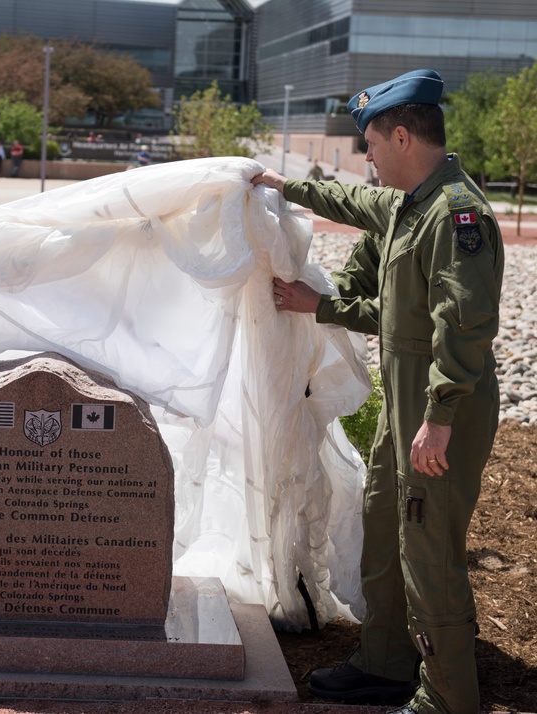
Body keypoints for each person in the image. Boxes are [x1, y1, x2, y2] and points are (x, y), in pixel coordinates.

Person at [255, 69, 503, 714]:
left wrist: (440, 417)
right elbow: (389, 290)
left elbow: (466, 323)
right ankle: (387, 663)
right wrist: (282, 185)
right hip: (408, 407)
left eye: (369, 143)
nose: (365, 158)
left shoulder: (456, 214)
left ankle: (448, 697)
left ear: (400, 135)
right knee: (386, 525)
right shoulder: (408, 205)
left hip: (439, 412)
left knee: (427, 548)